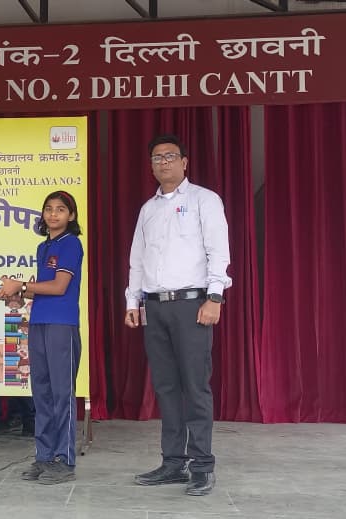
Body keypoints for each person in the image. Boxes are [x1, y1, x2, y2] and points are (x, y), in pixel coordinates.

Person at [123, 134, 230, 497]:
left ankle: (201, 465)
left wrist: (214, 297)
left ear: (184, 162)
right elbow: (137, 259)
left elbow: (218, 251)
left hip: (192, 305)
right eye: (157, 158)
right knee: (166, 386)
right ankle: (173, 462)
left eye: (170, 156)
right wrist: (132, 301)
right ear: (151, 166)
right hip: (155, 306)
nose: (163, 162)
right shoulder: (147, 210)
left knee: (195, 386)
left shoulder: (204, 200)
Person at [0, 190, 84, 485]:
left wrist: (21, 285)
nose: (53, 214)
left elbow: (59, 287)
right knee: (42, 393)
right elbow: (40, 289)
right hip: (38, 322)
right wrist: (13, 292)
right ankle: (44, 456)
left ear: (71, 215)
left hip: (62, 324)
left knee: (62, 394)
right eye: (48, 208)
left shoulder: (71, 243)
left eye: (60, 209)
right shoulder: (43, 246)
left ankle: (64, 460)